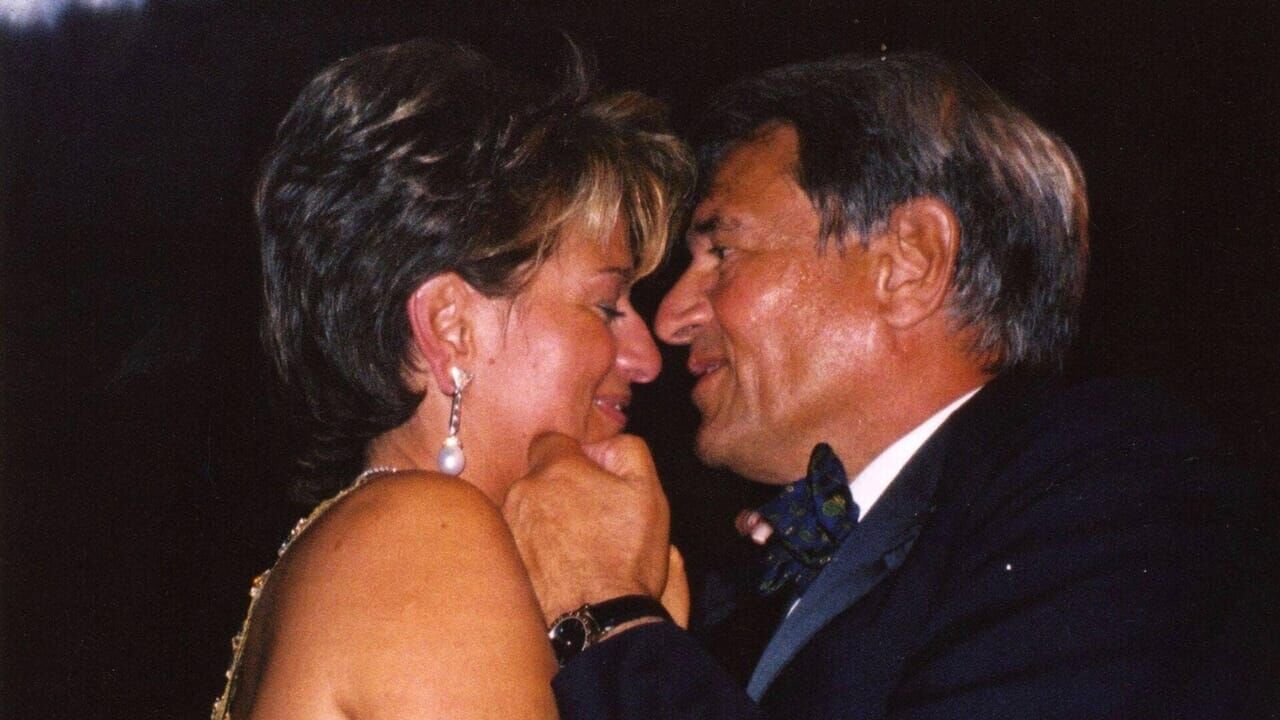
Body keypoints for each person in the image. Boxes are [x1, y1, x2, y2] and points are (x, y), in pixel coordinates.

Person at [502, 52, 1272, 718]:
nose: (671, 318)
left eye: (723, 252)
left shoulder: (1124, 486)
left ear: (911, 262)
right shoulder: (746, 575)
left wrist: (603, 613)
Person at [211, 39, 693, 719]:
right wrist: (622, 628)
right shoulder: (426, 538)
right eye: (606, 306)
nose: (645, 358)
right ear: (451, 326)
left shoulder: (375, 544)